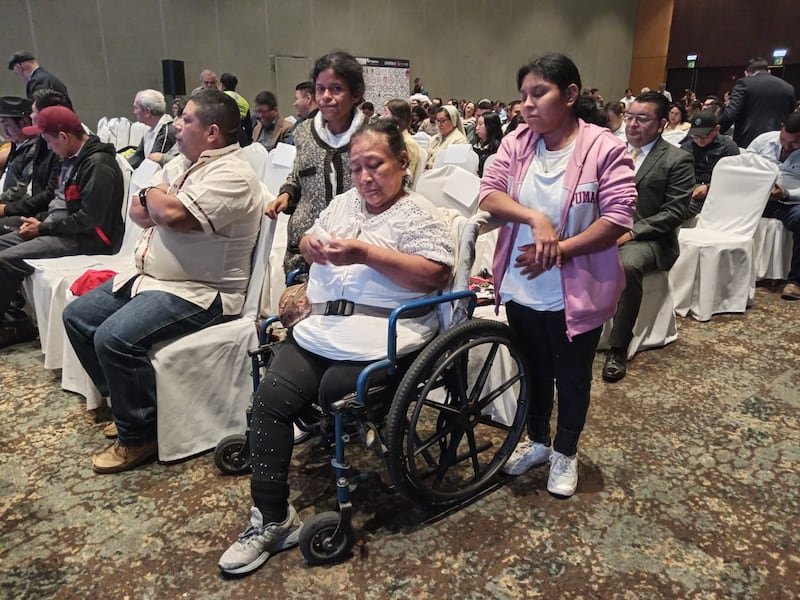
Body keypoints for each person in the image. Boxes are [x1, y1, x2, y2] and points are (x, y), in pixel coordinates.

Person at [218, 119, 454, 576]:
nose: (365, 177)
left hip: (387, 332)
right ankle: (271, 519)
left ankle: (366, 453)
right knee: (270, 400)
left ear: (402, 163)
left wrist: (365, 254)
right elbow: (311, 244)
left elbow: (434, 276)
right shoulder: (343, 205)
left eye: (375, 165)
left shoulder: (420, 213)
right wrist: (308, 245)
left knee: (335, 390)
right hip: (324, 325)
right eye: (356, 167)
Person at [61, 90, 266, 473]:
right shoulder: (185, 164)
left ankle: (139, 436)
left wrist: (157, 194)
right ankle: (127, 405)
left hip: (203, 291)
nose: (177, 124)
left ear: (212, 132)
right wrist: (156, 195)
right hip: (153, 279)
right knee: (78, 316)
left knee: (113, 338)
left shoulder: (233, 174)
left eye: (187, 119)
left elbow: (169, 213)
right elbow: (140, 212)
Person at [479, 53, 636, 498]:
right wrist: (535, 219)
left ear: (569, 95)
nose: (526, 105)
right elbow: (489, 194)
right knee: (532, 370)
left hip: (575, 290)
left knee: (571, 377)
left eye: (538, 93)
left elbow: (620, 216)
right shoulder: (516, 142)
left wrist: (560, 250)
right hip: (521, 282)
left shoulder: (603, 146)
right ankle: (539, 441)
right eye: (522, 95)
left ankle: (566, 451)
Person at [0, 105, 124, 348]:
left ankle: (14, 326)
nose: (47, 147)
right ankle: (11, 317)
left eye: (47, 140)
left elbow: (90, 219)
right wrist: (39, 223)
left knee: (5, 260)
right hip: (58, 228)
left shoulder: (98, 165)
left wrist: (42, 229)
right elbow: (53, 197)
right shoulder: (69, 157)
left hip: (88, 238)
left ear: (64, 137)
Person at [602, 92, 694, 382]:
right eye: (630, 117)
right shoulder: (612, 150)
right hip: (607, 228)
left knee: (626, 265)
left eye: (642, 119)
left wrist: (631, 232)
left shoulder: (677, 159)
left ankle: (618, 347)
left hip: (651, 239)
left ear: (662, 124)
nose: (632, 124)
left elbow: (674, 212)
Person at [266, 51, 366, 274]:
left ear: (356, 94)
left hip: (356, 249)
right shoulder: (303, 132)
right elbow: (298, 173)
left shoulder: (374, 136)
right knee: (293, 307)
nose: (326, 96)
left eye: (336, 89)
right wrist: (286, 194)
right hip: (305, 252)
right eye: (320, 89)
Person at [747, 111, 800, 300]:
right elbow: (743, 165)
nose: (787, 146)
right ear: (781, 128)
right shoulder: (763, 141)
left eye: (795, 143)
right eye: (784, 139)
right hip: (755, 197)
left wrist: (786, 193)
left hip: (790, 203)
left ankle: (795, 281)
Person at [0, 96, 60, 235]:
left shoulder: (38, 149)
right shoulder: (16, 145)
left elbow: (26, 190)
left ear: (24, 122)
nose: (3, 130)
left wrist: (4, 207)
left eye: (6, 124)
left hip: (22, 212)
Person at [719, 57, 796, 148]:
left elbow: (730, 115)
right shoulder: (788, 87)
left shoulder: (744, 83)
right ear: (769, 71)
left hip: (748, 141)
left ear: (746, 73)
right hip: (778, 143)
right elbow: (791, 119)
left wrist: (717, 131)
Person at [680, 109, 740, 218]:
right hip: (686, 188)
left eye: (703, 136)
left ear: (717, 129)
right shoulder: (687, 146)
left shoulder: (728, 148)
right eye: (695, 136)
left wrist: (708, 187)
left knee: (680, 209)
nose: (698, 140)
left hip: (713, 192)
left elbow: (733, 179)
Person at [127, 89, 175, 169]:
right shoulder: (150, 131)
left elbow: (152, 165)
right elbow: (138, 157)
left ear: (147, 112)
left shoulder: (167, 132)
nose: (134, 112)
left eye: (136, 108)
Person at [7, 51, 71, 107]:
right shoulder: (47, 77)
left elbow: (41, 110)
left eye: (16, 73)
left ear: (19, 67)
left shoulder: (37, 82)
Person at [382, 98, 421, 176]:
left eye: (386, 112)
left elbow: (407, 175)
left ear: (397, 117)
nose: (383, 116)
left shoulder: (408, 143)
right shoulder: (389, 138)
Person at [220, 73, 253, 146]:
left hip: (225, 137)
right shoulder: (244, 101)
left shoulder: (220, 98)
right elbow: (248, 127)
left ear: (222, 85)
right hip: (241, 137)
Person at [286, 81, 317, 145]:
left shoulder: (322, 124)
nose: (294, 104)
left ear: (308, 98)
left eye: (296, 99)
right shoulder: (299, 123)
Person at [472, 110, 503, 176]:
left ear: (491, 126)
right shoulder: (473, 145)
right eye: (477, 124)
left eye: (480, 124)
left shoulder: (499, 149)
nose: (477, 128)